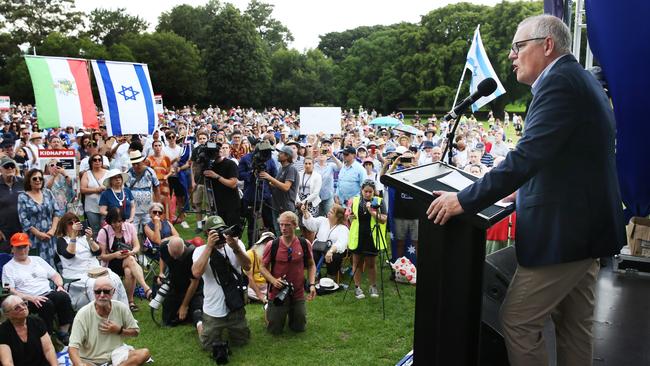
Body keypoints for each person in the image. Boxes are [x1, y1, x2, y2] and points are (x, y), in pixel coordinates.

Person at [427, 15, 625, 366]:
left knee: (518, 320)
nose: (511, 56)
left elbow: (526, 156)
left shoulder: (559, 83)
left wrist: (463, 199)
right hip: (586, 231)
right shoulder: (579, 79)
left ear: (547, 46)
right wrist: (525, 190)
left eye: (518, 47)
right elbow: (565, 157)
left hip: (564, 235)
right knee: (575, 327)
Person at [2, 233, 74, 345]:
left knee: (63, 296)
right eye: (19, 247)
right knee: (46, 304)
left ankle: (63, 332)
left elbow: (55, 275)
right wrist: (30, 297)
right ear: (12, 249)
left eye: (24, 246)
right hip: (26, 299)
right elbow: (9, 290)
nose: (22, 250)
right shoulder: (8, 268)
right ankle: (46, 337)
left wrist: (59, 286)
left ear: (29, 246)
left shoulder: (37, 260)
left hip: (47, 292)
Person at [191, 215, 251, 351]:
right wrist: (209, 247)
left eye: (222, 230)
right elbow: (196, 273)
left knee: (242, 342)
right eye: (215, 232)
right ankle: (199, 321)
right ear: (207, 233)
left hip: (234, 304)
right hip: (213, 309)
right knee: (207, 346)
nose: (221, 235)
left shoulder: (235, 244)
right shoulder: (199, 251)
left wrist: (235, 247)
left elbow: (247, 266)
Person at [68, 276, 151, 366]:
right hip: (90, 360)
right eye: (98, 292)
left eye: (106, 291)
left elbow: (135, 332)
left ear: (113, 292)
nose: (102, 295)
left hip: (116, 355)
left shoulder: (121, 308)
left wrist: (119, 330)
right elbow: (72, 347)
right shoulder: (82, 314)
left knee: (144, 353)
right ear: (93, 292)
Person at [54, 212, 128, 310]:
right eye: (70, 223)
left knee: (115, 279)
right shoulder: (62, 241)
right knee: (96, 285)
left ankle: (123, 312)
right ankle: (101, 314)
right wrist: (73, 236)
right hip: (77, 274)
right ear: (64, 226)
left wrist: (90, 239)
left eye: (76, 222)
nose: (74, 225)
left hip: (96, 270)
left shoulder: (84, 237)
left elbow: (98, 252)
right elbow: (69, 254)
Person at [260, 211, 317, 334]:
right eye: (281, 225)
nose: (283, 228)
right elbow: (262, 267)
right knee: (274, 330)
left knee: (299, 328)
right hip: (277, 292)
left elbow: (312, 265)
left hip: (297, 291)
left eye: (287, 225)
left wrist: (312, 284)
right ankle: (270, 307)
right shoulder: (272, 245)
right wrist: (273, 281)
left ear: (295, 225)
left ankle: (294, 311)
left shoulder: (304, 244)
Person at [97, 207, 152, 311]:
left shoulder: (129, 227)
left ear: (123, 219)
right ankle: (146, 289)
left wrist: (132, 252)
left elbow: (137, 246)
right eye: (114, 222)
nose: (117, 224)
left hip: (127, 259)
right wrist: (115, 255)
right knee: (131, 261)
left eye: (119, 221)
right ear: (109, 221)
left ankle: (129, 302)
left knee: (128, 271)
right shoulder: (103, 232)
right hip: (111, 262)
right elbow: (102, 256)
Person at [347, 180, 387, 299]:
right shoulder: (355, 201)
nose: (368, 194)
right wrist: (350, 217)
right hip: (358, 236)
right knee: (357, 263)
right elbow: (351, 217)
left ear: (374, 191)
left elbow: (384, 219)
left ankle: (373, 286)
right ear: (362, 191)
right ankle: (357, 287)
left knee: (371, 263)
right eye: (366, 191)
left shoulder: (379, 201)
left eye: (370, 192)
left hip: (372, 237)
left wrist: (372, 212)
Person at [17, 169, 64, 268]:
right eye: (34, 178)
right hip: (33, 237)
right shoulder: (22, 197)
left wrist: (53, 230)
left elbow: (56, 212)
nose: (38, 180)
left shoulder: (48, 193)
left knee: (51, 263)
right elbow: (23, 220)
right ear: (29, 181)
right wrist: (38, 233)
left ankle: (54, 283)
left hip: (49, 236)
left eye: (40, 178)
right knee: (35, 265)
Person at [0, 295, 58, 366]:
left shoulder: (37, 322)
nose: (23, 308)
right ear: (7, 314)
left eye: (24, 304)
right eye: (16, 308)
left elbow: (48, 350)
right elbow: (7, 362)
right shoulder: (3, 331)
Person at [158, 236, 203, 326]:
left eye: (178, 255)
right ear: (168, 248)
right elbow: (162, 257)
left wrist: (184, 305)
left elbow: (194, 282)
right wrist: (161, 272)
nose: (175, 258)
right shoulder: (163, 247)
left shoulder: (193, 253)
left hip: (193, 287)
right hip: (175, 284)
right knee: (168, 319)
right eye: (173, 255)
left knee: (197, 313)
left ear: (184, 248)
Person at [301, 204, 349, 279]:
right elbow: (311, 223)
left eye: (332, 212)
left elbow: (342, 243)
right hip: (319, 248)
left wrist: (331, 251)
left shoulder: (343, 228)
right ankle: (316, 273)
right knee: (313, 253)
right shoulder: (322, 220)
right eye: (329, 211)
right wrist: (305, 212)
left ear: (338, 217)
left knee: (334, 257)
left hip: (334, 251)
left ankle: (331, 275)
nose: (329, 213)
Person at [259, 146, 298, 235]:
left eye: (281, 153)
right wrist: (265, 179)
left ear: (287, 156)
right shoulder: (281, 168)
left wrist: (269, 177)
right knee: (278, 232)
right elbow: (274, 184)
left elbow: (286, 187)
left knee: (286, 233)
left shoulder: (291, 168)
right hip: (277, 205)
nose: (278, 155)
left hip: (286, 206)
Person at [203, 141, 241, 227]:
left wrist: (217, 176)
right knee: (219, 233)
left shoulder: (230, 164)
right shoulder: (210, 166)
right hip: (217, 205)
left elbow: (233, 184)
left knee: (232, 233)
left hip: (231, 204)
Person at [126, 150, 161, 234]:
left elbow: (156, 188)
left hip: (148, 209)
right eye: (133, 164)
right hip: (134, 210)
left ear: (142, 161)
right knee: (133, 232)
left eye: (138, 163)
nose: (136, 166)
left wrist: (157, 204)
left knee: (149, 231)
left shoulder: (150, 172)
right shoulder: (129, 173)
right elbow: (126, 190)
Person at [80, 153, 109, 236]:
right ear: (91, 162)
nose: (97, 161)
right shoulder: (86, 174)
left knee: (105, 228)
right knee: (95, 229)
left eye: (99, 160)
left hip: (106, 206)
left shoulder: (108, 173)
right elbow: (82, 189)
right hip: (91, 207)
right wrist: (96, 190)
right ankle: (96, 248)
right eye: (95, 160)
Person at [0, 156, 24, 253]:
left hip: (22, 229)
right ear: (0, 169)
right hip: (4, 232)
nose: (10, 168)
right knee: (4, 260)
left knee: (22, 259)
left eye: (12, 166)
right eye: (6, 166)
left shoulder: (23, 182)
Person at [295, 157, 322, 243]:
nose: (307, 165)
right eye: (306, 163)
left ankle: (310, 246)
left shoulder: (317, 176)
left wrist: (303, 202)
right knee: (302, 225)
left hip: (311, 203)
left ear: (313, 165)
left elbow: (315, 193)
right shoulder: (299, 174)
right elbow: (295, 189)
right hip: (299, 203)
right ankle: (305, 244)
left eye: (310, 163)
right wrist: (298, 202)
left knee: (310, 226)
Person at [246, 231, 275, 303]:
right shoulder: (250, 254)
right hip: (253, 287)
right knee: (248, 292)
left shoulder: (275, 255)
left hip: (268, 285)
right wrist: (260, 295)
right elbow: (250, 278)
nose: (267, 245)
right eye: (265, 242)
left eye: (270, 243)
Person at [146, 140, 172, 219]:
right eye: (156, 146)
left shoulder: (166, 158)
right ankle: (155, 220)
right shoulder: (149, 159)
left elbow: (170, 170)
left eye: (159, 145)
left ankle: (167, 220)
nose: (158, 147)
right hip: (154, 183)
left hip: (164, 183)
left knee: (166, 201)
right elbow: (146, 172)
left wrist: (167, 176)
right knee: (155, 202)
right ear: (153, 147)